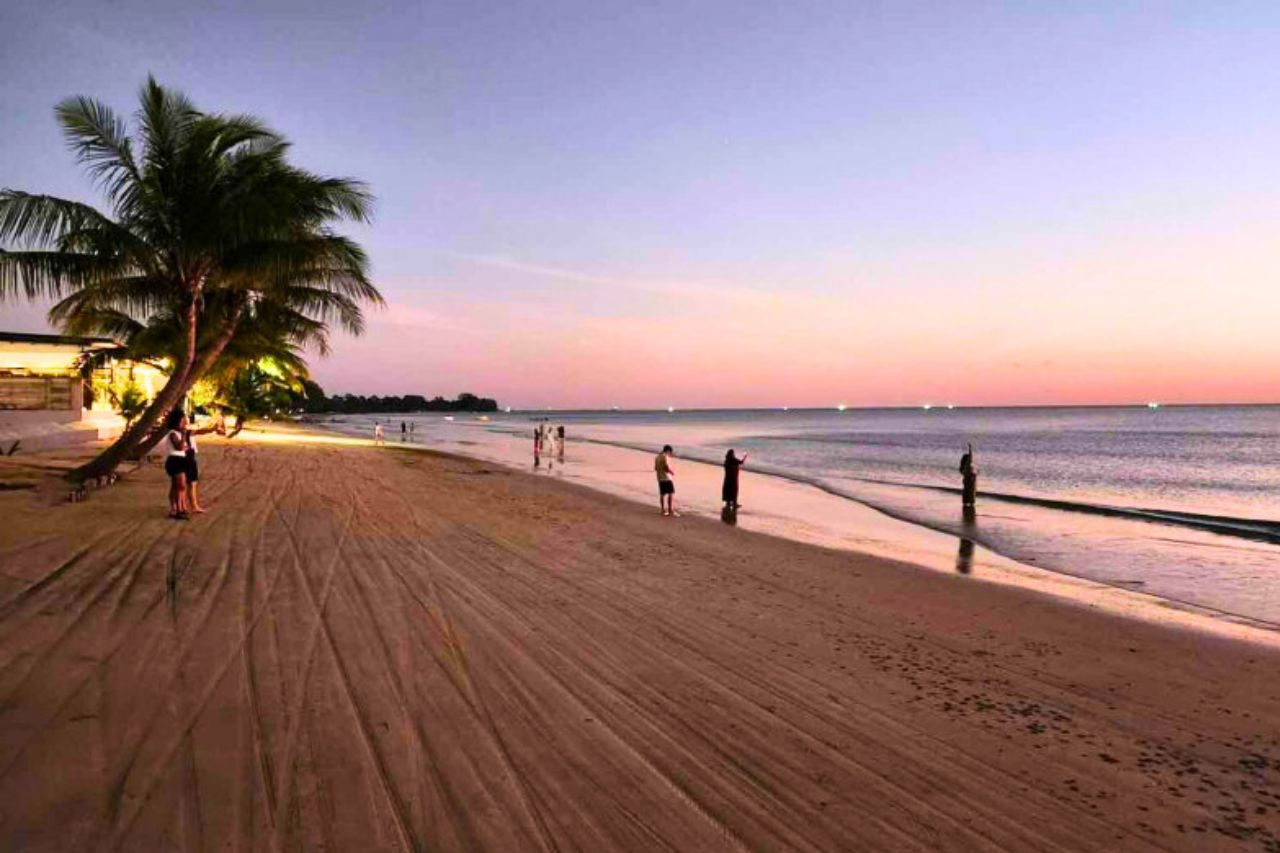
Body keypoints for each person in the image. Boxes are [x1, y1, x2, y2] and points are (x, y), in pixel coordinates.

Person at [183, 415, 219, 514]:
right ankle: (190, 506)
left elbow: (201, 431)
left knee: (190, 483)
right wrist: (213, 427)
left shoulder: (185, 430)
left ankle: (191, 505)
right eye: (185, 419)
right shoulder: (185, 431)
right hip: (187, 457)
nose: (187, 421)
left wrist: (213, 427)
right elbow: (201, 431)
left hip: (189, 456)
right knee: (189, 483)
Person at [163, 410, 190, 520]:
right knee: (181, 485)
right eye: (183, 420)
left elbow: (185, 447)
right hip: (174, 460)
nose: (184, 422)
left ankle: (175, 508)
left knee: (176, 486)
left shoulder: (178, 433)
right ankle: (178, 509)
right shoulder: (173, 433)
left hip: (181, 459)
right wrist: (184, 435)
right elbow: (179, 447)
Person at [655, 445, 678, 516]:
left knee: (662, 494)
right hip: (667, 477)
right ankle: (670, 509)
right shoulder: (666, 457)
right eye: (670, 452)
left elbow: (655, 468)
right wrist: (671, 472)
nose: (670, 454)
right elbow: (666, 467)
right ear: (668, 451)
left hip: (660, 477)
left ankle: (662, 510)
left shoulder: (657, 457)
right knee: (671, 493)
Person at [959, 442, 978, 508]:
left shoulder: (962, 468)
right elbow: (970, 457)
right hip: (970, 480)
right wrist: (970, 448)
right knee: (971, 492)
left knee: (966, 491)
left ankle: (965, 503)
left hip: (966, 480)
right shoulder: (968, 466)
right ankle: (971, 504)